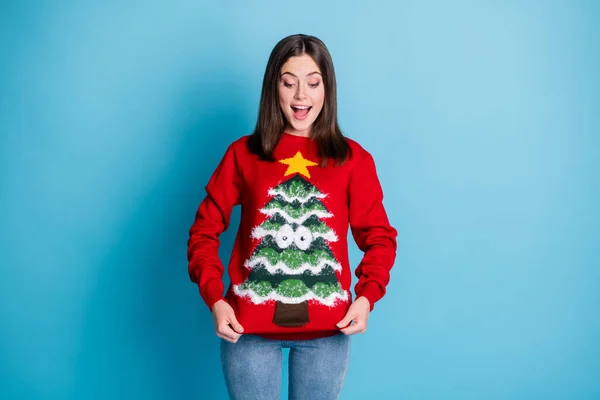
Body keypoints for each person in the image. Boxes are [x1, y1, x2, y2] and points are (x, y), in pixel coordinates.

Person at [187, 33, 398, 400]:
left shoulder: (353, 160)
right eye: (289, 83)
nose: (301, 96)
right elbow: (204, 230)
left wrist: (366, 297)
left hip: (327, 335)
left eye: (313, 83)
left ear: (326, 89)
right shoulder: (243, 154)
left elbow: (380, 237)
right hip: (247, 334)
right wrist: (214, 299)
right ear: (275, 89)